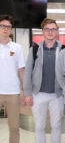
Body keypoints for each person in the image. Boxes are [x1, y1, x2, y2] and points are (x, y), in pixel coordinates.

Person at [23, 18, 64, 143]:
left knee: (56, 126)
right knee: (39, 126)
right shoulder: (34, 50)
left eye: (53, 29)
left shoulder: (63, 50)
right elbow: (28, 72)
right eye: (47, 29)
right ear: (43, 32)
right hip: (38, 94)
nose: (50, 32)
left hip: (57, 95)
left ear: (57, 31)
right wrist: (27, 93)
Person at [0, 14, 25, 143]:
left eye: (8, 27)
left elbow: (21, 70)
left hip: (13, 93)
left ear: (11, 30)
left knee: (14, 127)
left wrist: (25, 91)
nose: (5, 29)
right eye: (3, 26)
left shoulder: (17, 48)